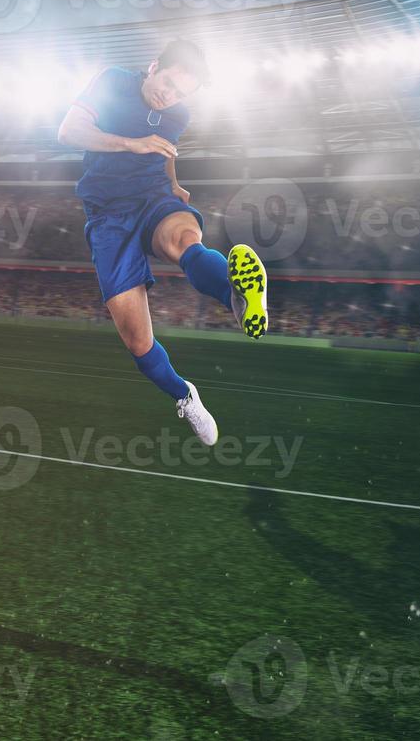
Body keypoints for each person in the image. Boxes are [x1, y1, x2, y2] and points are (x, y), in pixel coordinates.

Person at [55, 41, 269, 445]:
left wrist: (172, 181)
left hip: (154, 197)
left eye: (179, 93)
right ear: (154, 66)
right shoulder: (113, 80)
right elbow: (69, 131)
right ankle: (185, 395)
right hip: (108, 215)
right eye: (167, 82)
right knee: (137, 340)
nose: (168, 96)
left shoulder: (178, 113)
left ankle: (236, 295)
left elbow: (166, 145)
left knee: (183, 240)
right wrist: (130, 142)